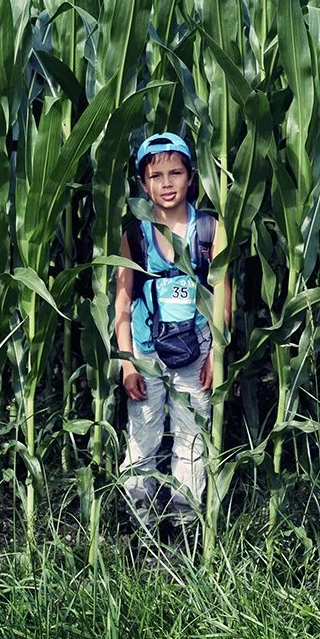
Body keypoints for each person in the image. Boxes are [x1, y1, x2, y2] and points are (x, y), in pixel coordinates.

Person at [114, 132, 229, 531]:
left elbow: (221, 292)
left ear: (191, 177)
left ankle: (185, 529)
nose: (166, 183)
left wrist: (216, 352)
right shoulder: (135, 234)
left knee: (191, 442)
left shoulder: (209, 230)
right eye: (156, 176)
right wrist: (128, 363)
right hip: (146, 350)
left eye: (175, 173)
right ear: (143, 184)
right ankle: (141, 526)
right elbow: (123, 298)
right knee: (142, 439)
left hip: (195, 350)